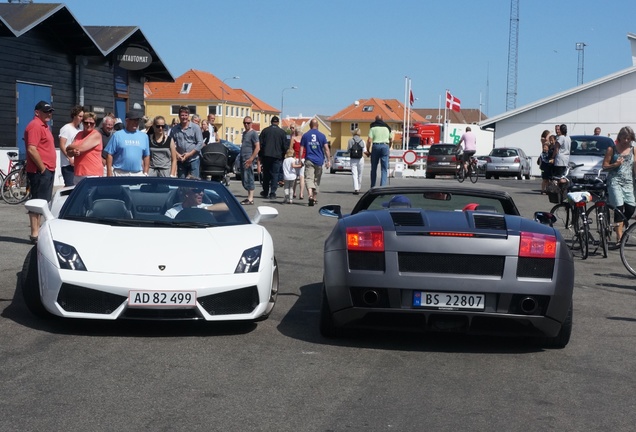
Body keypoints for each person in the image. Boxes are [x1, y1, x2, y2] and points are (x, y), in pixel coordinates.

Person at [25, 101, 57, 244]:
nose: (49, 113)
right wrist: (42, 168)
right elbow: (32, 149)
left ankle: (38, 233)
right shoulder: (35, 125)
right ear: (37, 112)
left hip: (47, 170)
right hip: (40, 171)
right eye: (46, 111)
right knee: (37, 202)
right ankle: (35, 235)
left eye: (50, 111)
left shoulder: (45, 126)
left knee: (43, 202)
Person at [602, 126, 635, 246]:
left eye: (629, 138)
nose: (626, 140)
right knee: (619, 208)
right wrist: (615, 164)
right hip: (614, 181)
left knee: (631, 208)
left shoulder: (633, 150)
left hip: (628, 182)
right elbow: (604, 166)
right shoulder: (612, 149)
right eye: (624, 138)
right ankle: (619, 237)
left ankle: (619, 227)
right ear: (619, 137)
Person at [104, 110, 150, 176]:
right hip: (120, 173)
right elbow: (109, 155)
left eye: (137, 120)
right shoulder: (117, 135)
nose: (136, 122)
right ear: (127, 120)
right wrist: (109, 173)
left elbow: (146, 156)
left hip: (137, 174)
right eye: (133, 120)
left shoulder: (144, 136)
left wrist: (145, 172)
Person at [65, 112, 103, 184]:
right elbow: (69, 153)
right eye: (86, 123)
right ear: (82, 123)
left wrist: (69, 146)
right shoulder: (79, 134)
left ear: (95, 124)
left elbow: (81, 148)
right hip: (78, 172)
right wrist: (73, 152)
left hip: (92, 174)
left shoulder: (96, 135)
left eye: (91, 123)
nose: (89, 125)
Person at [300, 118, 330, 206]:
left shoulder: (305, 135)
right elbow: (326, 149)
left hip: (309, 159)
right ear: (318, 126)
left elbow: (301, 148)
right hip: (319, 160)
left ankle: (310, 195)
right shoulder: (322, 136)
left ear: (310, 125)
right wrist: (328, 160)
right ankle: (314, 197)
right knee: (317, 179)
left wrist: (299, 158)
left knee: (309, 178)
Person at [259, 115, 288, 199]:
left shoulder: (265, 131)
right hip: (277, 156)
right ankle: (272, 193)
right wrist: (283, 155)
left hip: (266, 156)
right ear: (278, 123)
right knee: (275, 174)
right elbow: (285, 146)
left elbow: (260, 144)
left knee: (266, 174)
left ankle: (265, 192)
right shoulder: (282, 132)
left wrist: (260, 156)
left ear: (271, 122)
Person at [171, 106, 204, 178]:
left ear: (188, 116)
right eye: (182, 115)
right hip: (181, 160)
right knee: (181, 183)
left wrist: (189, 154)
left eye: (186, 115)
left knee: (194, 183)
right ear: (179, 116)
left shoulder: (195, 127)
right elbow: (171, 144)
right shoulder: (174, 129)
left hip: (194, 159)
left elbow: (200, 143)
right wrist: (177, 155)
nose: (184, 117)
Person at [58, 105, 84, 186]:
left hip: (77, 164)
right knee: (70, 188)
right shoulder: (66, 128)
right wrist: (69, 158)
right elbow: (62, 145)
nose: (81, 119)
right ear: (74, 116)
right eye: (80, 116)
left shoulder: (79, 130)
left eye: (82, 117)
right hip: (68, 164)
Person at [366, 115, 392, 187]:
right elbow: (391, 139)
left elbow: (369, 140)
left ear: (375, 119)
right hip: (385, 146)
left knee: (374, 168)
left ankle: (373, 186)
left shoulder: (373, 128)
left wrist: (368, 150)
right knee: (384, 168)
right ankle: (382, 187)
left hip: (376, 146)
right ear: (382, 119)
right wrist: (389, 146)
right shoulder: (387, 128)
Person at [239, 116, 260, 205]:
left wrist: (251, 159)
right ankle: (248, 197)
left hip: (248, 158)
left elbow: (257, 147)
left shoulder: (253, 133)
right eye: (245, 123)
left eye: (248, 123)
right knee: (244, 179)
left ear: (251, 123)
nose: (246, 125)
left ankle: (250, 198)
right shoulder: (244, 133)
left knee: (249, 177)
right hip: (242, 158)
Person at [348, 128, 365, 194]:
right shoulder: (362, 141)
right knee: (360, 174)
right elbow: (364, 150)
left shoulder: (350, 140)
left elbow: (348, 150)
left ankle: (356, 188)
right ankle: (359, 187)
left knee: (354, 174)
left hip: (353, 159)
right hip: (360, 159)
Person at [290, 128, 305, 200]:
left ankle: (294, 192)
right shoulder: (304, 139)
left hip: (295, 158)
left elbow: (290, 149)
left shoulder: (293, 138)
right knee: (302, 177)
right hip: (303, 158)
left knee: (295, 176)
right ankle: (301, 193)